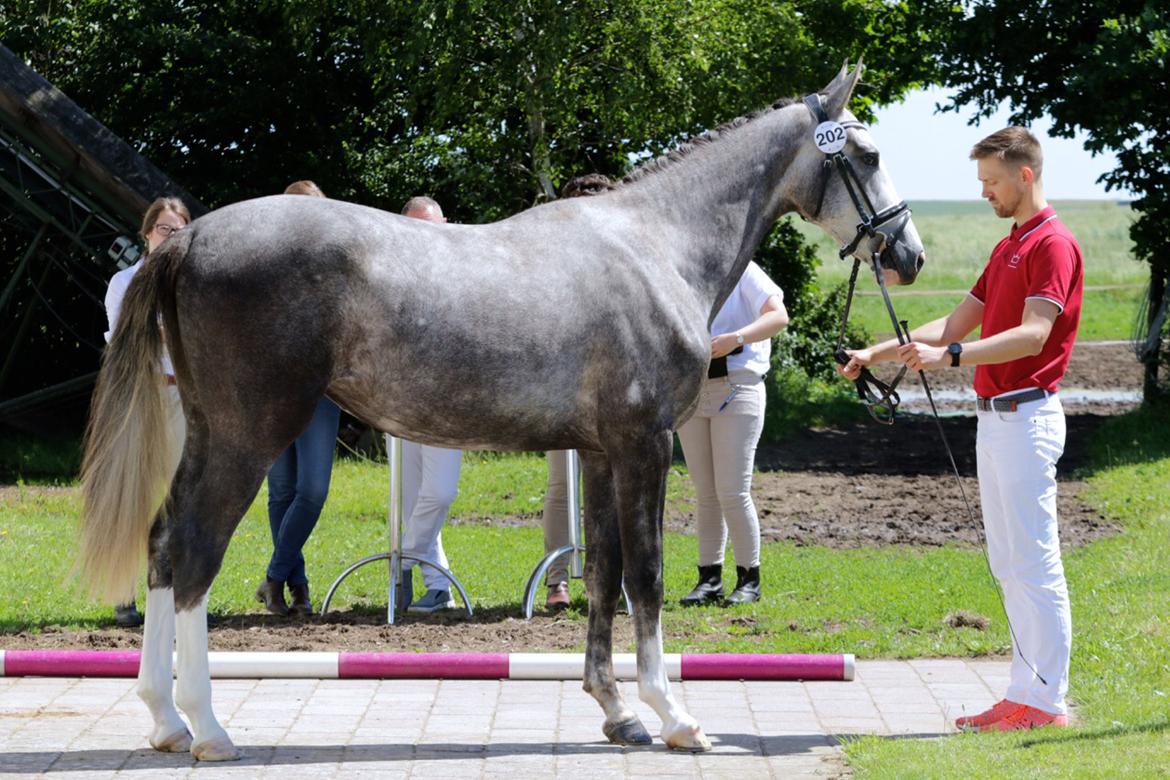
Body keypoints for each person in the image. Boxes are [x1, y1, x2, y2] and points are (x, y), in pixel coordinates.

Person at [838, 127, 1081, 732]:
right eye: (981, 183)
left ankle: (1047, 704)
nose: (985, 194)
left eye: (992, 182)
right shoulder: (1008, 248)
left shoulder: (1053, 244)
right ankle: (1022, 693)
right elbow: (952, 323)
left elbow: (1033, 335)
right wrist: (878, 352)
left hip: (1028, 417)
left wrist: (951, 361)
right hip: (995, 423)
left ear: (1025, 176)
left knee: (1034, 563)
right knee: (1008, 562)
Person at [676, 262, 789, 606]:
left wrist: (735, 339)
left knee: (732, 491)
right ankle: (709, 578)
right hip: (693, 389)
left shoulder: (744, 269)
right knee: (706, 492)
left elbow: (778, 317)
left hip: (738, 387)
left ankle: (749, 579)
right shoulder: (685, 268)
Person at [103, 196, 191, 627]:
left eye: (179, 231)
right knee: (135, 493)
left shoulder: (195, 286)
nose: (171, 238)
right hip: (140, 397)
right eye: (164, 230)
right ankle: (124, 594)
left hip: (183, 397)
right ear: (147, 234)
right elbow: (124, 344)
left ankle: (172, 590)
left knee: (177, 495)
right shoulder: (125, 283)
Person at [255, 180, 341, 618]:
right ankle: (297, 586)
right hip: (275, 391)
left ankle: (274, 576)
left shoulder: (336, 267)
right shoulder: (265, 269)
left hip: (323, 393)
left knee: (312, 489)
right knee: (281, 493)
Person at [541, 173, 615, 611]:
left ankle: (608, 575)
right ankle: (557, 579)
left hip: (612, 397)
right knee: (561, 485)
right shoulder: (548, 263)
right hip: (561, 394)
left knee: (613, 485)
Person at [395, 196, 465, 614]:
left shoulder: (464, 272)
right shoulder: (391, 274)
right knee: (412, 498)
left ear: (446, 224)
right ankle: (436, 584)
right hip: (400, 401)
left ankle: (402, 555)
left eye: (431, 226)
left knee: (439, 492)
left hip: (447, 403)